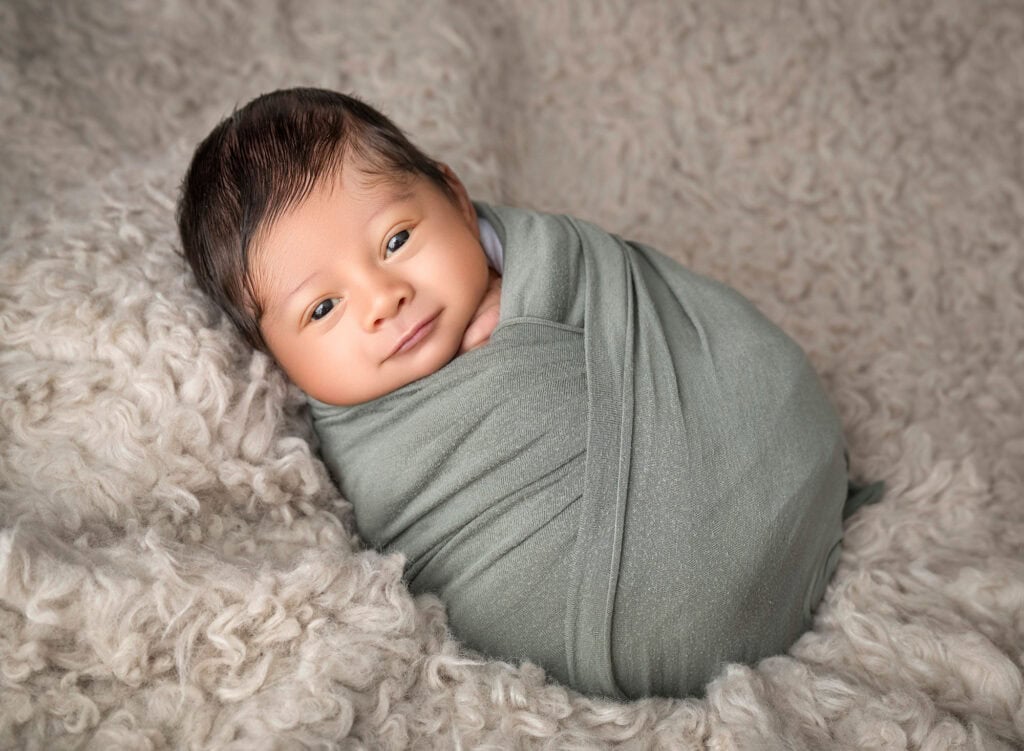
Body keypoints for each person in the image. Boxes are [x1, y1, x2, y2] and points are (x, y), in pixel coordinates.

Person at [178, 87, 882, 700]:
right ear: (274, 356)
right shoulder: (361, 443)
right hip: (613, 617)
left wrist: (522, 299)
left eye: (395, 239)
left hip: (765, 446)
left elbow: (642, 303)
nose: (383, 299)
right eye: (323, 309)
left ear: (454, 197)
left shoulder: (555, 265)